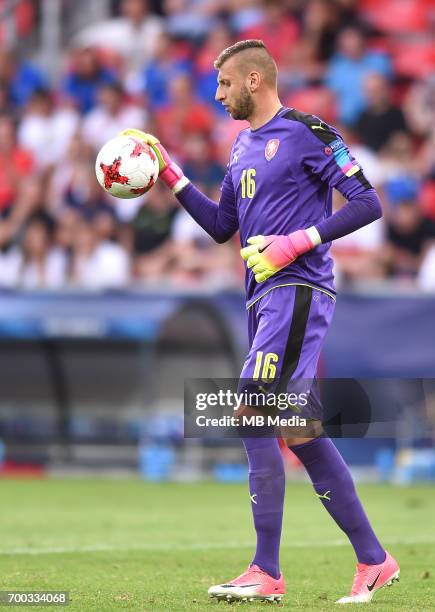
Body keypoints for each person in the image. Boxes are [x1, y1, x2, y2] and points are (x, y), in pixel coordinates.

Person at [121, 39, 400, 605]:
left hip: (296, 289)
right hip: (262, 299)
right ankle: (374, 560)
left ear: (253, 80)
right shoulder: (242, 147)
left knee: (251, 408)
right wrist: (170, 172)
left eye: (224, 85)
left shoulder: (307, 131)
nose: (218, 95)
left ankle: (266, 570)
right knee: (298, 430)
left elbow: (367, 202)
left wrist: (296, 242)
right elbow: (223, 225)